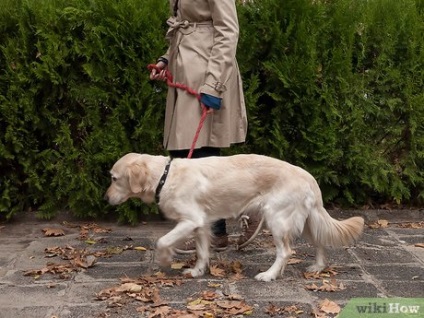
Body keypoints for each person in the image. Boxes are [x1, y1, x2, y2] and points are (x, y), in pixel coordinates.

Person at [149, 0, 260, 253]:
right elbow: (185, 27)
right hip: (185, 69)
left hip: (207, 73)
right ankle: (219, 229)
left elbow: (228, 31)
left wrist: (214, 84)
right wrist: (165, 60)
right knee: (185, 153)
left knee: (200, 154)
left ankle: (241, 212)